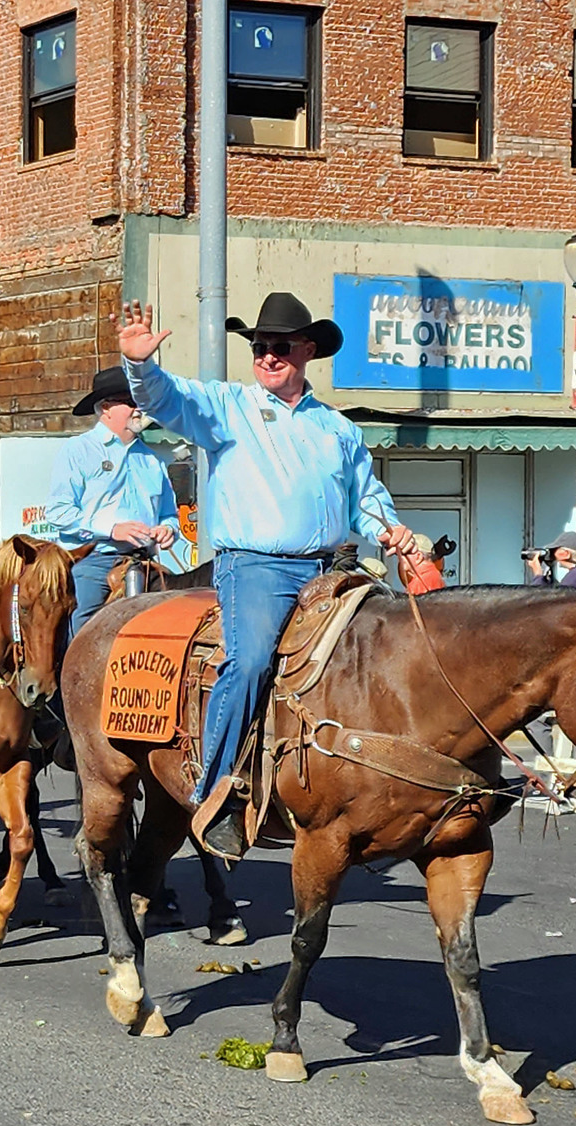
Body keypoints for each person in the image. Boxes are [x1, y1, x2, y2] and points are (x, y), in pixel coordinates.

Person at [118, 293, 419, 860]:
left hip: (330, 568)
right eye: (259, 346)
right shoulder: (228, 406)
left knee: (380, 653)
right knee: (251, 658)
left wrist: (390, 529)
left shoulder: (338, 428)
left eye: (279, 346)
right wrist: (140, 366)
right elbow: (167, 398)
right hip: (255, 567)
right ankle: (219, 791)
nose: (267, 355)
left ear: (307, 351)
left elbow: (365, 497)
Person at [44, 367, 180, 636]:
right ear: (106, 408)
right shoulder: (78, 450)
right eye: (131, 402)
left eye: (141, 401)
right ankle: (68, 675)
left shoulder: (153, 459)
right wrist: (112, 529)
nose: (139, 409)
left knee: (177, 622)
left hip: (146, 562)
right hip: (94, 561)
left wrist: (168, 530)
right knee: (81, 627)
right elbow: (58, 512)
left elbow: (169, 514)